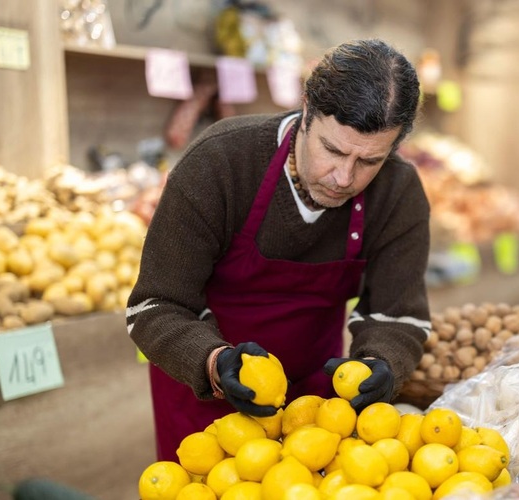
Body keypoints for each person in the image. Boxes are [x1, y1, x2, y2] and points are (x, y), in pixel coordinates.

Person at [126, 38, 431, 461]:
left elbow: (398, 314)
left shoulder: (398, 192)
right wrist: (214, 363)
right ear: (306, 108)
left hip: (316, 410)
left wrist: (383, 362)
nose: (343, 177)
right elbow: (154, 305)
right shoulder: (220, 162)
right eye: (333, 150)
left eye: (368, 162)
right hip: (205, 400)